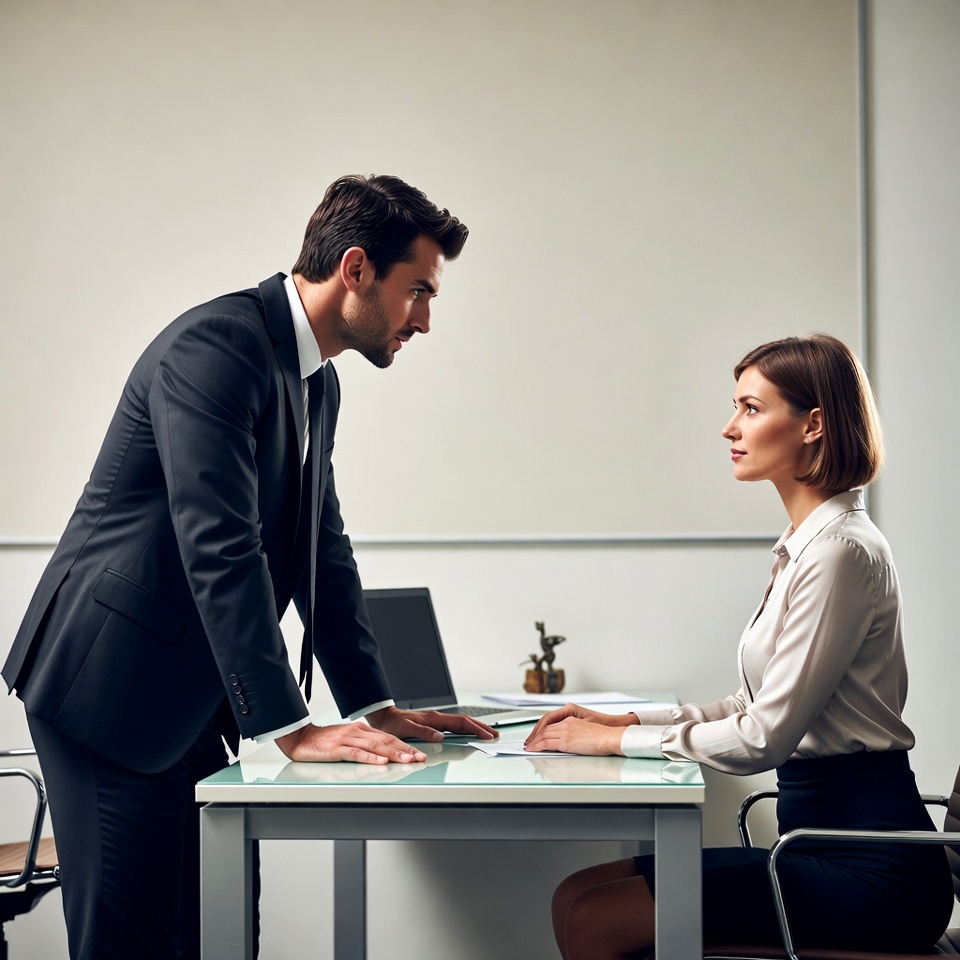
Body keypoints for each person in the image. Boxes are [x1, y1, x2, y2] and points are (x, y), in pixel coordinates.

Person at [1, 174, 497, 960]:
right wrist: (293, 727)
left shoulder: (317, 383)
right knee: (133, 945)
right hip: (109, 688)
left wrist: (374, 704)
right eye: (419, 292)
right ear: (358, 269)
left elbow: (320, 554)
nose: (426, 321)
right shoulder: (218, 347)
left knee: (221, 931)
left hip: (189, 699)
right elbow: (220, 543)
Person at [525, 334, 954, 959]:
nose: (730, 427)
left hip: (872, 874)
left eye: (751, 409)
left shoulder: (839, 551)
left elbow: (763, 738)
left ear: (812, 425)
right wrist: (622, 720)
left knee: (597, 918)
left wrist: (614, 741)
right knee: (574, 896)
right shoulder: (807, 543)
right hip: (817, 844)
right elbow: (748, 704)